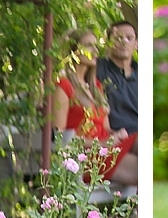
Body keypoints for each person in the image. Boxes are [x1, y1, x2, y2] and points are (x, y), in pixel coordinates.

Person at [50, 27, 136, 192]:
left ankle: (137, 212)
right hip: (85, 157)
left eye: (96, 46)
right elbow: (60, 137)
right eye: (89, 45)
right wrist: (100, 144)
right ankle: (137, 213)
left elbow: (105, 128)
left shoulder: (95, 87)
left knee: (140, 139)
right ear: (73, 51)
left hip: (106, 149)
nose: (95, 50)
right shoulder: (63, 87)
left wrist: (116, 136)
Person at [92, 20, 140, 198]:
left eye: (129, 38)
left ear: (136, 43)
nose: (124, 42)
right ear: (108, 41)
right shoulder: (97, 69)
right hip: (114, 138)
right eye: (118, 37)